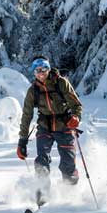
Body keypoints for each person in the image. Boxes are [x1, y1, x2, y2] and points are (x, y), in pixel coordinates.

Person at [17, 57, 84, 185]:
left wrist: (76, 117)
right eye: (37, 71)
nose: (41, 74)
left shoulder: (61, 83)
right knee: (41, 162)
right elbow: (27, 115)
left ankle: (70, 192)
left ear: (48, 69)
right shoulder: (33, 91)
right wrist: (22, 141)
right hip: (44, 126)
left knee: (67, 164)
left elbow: (76, 105)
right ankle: (42, 195)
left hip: (64, 125)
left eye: (43, 69)